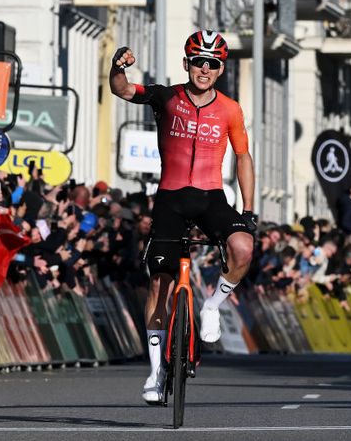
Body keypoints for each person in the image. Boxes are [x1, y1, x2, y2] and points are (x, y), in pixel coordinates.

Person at [109, 30, 257, 404]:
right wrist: (116, 65)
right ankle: (157, 371)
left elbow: (242, 158)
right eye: (197, 61)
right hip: (171, 197)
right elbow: (123, 90)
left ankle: (211, 307)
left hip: (210, 198)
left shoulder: (230, 109)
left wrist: (249, 210)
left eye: (212, 63)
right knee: (159, 283)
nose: (203, 69)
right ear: (186, 63)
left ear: (221, 69)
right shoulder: (166, 96)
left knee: (243, 247)